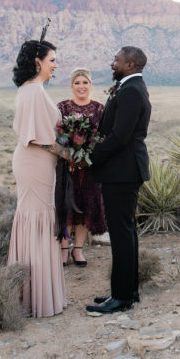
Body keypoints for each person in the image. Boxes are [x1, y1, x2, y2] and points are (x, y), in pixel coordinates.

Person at [85, 46, 151, 314]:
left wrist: (91, 156)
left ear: (131, 64)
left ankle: (121, 298)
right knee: (126, 233)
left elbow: (120, 136)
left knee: (122, 234)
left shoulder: (132, 91)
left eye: (117, 60)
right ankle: (126, 292)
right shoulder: (130, 87)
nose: (113, 63)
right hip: (123, 171)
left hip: (122, 172)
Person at [6, 36, 68, 318]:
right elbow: (36, 139)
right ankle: (35, 297)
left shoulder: (32, 89)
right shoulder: (32, 92)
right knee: (37, 218)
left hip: (39, 162)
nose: (56, 65)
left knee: (39, 217)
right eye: (52, 60)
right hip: (35, 162)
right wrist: (70, 154)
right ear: (38, 61)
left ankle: (34, 294)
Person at [55, 67, 107, 267]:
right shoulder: (62, 108)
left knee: (85, 206)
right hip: (67, 166)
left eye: (85, 82)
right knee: (66, 206)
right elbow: (58, 135)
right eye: (77, 82)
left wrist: (89, 153)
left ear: (91, 85)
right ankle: (63, 250)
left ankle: (78, 250)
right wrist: (70, 151)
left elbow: (102, 137)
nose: (81, 86)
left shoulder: (99, 109)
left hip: (90, 168)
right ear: (72, 85)